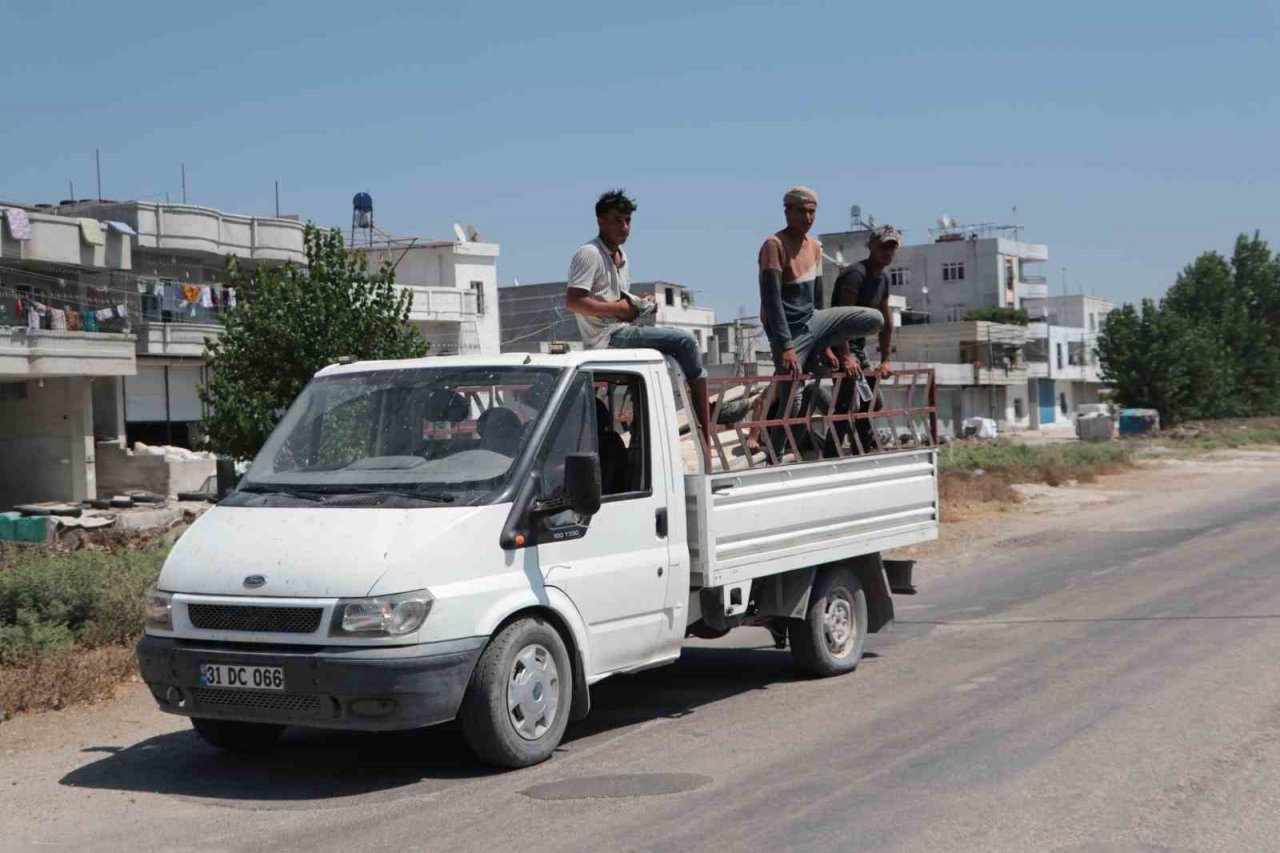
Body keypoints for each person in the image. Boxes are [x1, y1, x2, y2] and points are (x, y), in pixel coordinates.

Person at [565, 189, 711, 439]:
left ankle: (651, 427)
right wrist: (618, 309)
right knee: (686, 342)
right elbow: (574, 301)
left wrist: (640, 303)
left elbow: (619, 303)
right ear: (600, 220)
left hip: (621, 328)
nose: (624, 227)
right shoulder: (589, 253)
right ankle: (706, 428)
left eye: (628, 220)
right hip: (607, 337)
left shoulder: (622, 257)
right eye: (617, 220)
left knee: (666, 360)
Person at [757, 186, 883, 458]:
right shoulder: (774, 246)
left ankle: (820, 349)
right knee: (793, 400)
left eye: (812, 212)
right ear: (787, 211)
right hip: (790, 333)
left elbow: (817, 301)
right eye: (802, 211)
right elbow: (771, 302)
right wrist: (786, 346)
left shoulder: (815, 247)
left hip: (814, 322)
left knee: (874, 319)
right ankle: (775, 456)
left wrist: (827, 343)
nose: (808, 217)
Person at [830, 224, 901, 452]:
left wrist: (886, 359)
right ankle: (832, 453)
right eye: (883, 247)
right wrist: (845, 356)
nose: (887, 252)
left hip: (857, 348)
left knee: (869, 400)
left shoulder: (883, 279)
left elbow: (886, 321)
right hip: (836, 344)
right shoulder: (855, 275)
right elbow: (841, 318)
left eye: (891, 248)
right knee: (845, 401)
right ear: (871, 246)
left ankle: (861, 447)